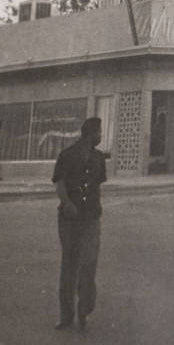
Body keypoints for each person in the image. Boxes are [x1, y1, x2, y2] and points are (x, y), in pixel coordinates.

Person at [52, 117, 107, 331]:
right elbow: (60, 183)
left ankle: (77, 312)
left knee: (80, 265)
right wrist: (67, 203)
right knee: (77, 265)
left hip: (85, 218)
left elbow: (94, 187)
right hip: (77, 218)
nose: (101, 136)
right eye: (99, 132)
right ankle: (74, 313)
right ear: (91, 134)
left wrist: (73, 204)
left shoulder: (94, 157)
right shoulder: (70, 155)